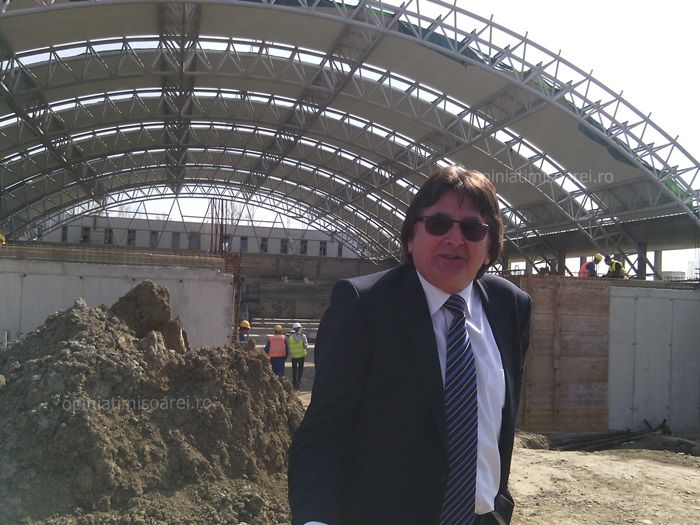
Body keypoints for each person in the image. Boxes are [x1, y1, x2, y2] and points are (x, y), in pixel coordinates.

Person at [288, 167, 532, 525]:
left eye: (472, 229)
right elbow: (323, 432)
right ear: (410, 237)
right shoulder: (364, 306)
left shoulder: (510, 306)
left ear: (490, 248)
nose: (454, 239)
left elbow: (499, 424)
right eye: (438, 224)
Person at [288, 322, 309, 389]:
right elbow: (305, 346)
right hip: (301, 355)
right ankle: (298, 382)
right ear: (300, 328)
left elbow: (289, 346)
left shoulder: (291, 337)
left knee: (294, 369)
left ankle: (294, 382)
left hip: (294, 355)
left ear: (294, 329)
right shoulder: (303, 336)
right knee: (300, 369)